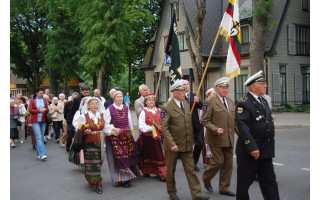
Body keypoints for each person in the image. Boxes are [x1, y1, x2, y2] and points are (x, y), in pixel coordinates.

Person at [161, 79, 209, 200]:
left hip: (187, 144)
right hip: (173, 146)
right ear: (174, 92)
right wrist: (172, 144)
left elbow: (189, 124)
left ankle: (197, 195)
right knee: (171, 171)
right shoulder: (167, 107)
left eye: (184, 89)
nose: (184, 92)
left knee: (191, 170)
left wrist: (192, 140)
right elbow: (164, 128)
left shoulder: (187, 104)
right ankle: (172, 193)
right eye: (181, 90)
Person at [235, 70, 280, 200]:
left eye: (265, 83)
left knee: (270, 182)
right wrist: (252, 148)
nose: (265, 86)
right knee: (244, 185)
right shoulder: (244, 103)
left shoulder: (264, 100)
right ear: (253, 86)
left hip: (265, 150)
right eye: (262, 83)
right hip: (250, 153)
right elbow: (243, 128)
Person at [201, 77, 237, 196]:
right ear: (217, 88)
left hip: (229, 138)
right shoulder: (210, 101)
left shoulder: (231, 101)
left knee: (228, 164)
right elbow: (204, 120)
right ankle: (206, 178)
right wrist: (215, 129)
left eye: (227, 87)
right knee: (218, 162)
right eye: (223, 87)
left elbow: (234, 121)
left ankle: (224, 188)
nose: (225, 90)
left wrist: (243, 136)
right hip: (216, 138)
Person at [72, 97, 109, 194]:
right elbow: (78, 127)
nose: (95, 105)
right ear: (88, 105)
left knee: (99, 162)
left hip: (101, 142)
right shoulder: (84, 116)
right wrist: (84, 130)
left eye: (96, 104)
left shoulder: (102, 115)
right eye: (92, 104)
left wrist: (112, 131)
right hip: (89, 142)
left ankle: (92, 179)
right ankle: (98, 183)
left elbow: (105, 128)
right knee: (94, 162)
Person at [105, 90, 141, 188]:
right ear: (114, 98)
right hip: (116, 137)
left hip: (127, 135)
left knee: (129, 156)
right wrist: (113, 128)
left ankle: (126, 177)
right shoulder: (109, 109)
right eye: (118, 97)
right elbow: (106, 124)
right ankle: (124, 179)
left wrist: (131, 132)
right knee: (120, 158)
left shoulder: (126, 108)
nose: (120, 98)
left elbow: (129, 122)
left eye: (121, 97)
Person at [137, 93, 166, 181]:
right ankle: (147, 171)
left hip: (158, 137)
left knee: (159, 155)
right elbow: (141, 126)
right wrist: (153, 128)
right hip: (147, 138)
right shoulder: (143, 112)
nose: (151, 102)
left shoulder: (159, 110)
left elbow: (164, 121)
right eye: (149, 100)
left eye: (153, 100)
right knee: (147, 155)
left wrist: (162, 127)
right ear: (145, 102)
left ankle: (162, 173)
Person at [183, 80, 204, 172]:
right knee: (187, 145)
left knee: (199, 143)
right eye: (184, 84)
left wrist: (198, 101)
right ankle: (187, 163)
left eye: (187, 84)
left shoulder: (194, 95)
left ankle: (194, 162)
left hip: (195, 124)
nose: (186, 86)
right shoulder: (179, 96)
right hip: (185, 124)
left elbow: (203, 107)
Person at [28, 88, 49, 160]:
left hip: (43, 120)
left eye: (42, 93)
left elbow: (47, 109)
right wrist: (39, 110)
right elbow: (30, 110)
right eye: (40, 93)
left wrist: (45, 109)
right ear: (36, 93)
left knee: (41, 137)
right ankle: (42, 154)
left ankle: (38, 154)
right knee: (39, 137)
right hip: (35, 121)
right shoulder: (32, 100)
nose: (41, 94)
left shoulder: (45, 100)